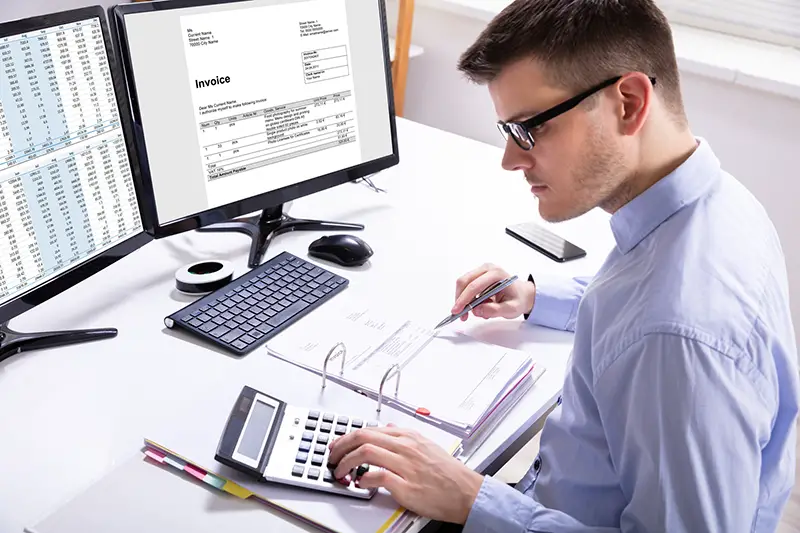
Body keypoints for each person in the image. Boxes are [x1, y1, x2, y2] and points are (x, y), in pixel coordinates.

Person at [328, 0, 800, 530]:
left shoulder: (678, 335)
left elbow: (665, 325)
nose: (509, 159)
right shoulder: (710, 202)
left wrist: (471, 499)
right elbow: (642, 293)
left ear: (628, 103)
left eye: (528, 129)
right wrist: (536, 294)